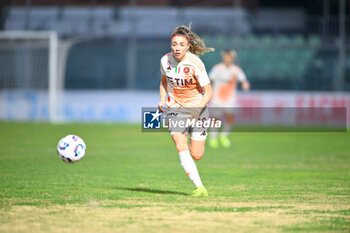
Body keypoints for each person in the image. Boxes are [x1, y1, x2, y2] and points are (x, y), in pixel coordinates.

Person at [158, 24, 214, 197]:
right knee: (180, 146)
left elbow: (209, 90)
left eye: (181, 45)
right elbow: (164, 81)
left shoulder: (195, 63)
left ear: (188, 46)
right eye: (174, 44)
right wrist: (162, 99)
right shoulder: (164, 60)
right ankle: (200, 187)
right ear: (171, 45)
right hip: (176, 108)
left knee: (196, 154)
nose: (177, 48)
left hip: (197, 107)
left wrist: (197, 110)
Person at [208, 50, 250, 148]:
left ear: (232, 58)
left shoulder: (236, 70)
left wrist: (245, 84)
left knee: (230, 117)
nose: (227, 59)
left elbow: (243, 79)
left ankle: (223, 136)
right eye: (226, 56)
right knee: (216, 119)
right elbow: (210, 79)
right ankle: (213, 139)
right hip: (217, 98)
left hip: (230, 98)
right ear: (223, 57)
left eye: (229, 57)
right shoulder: (217, 68)